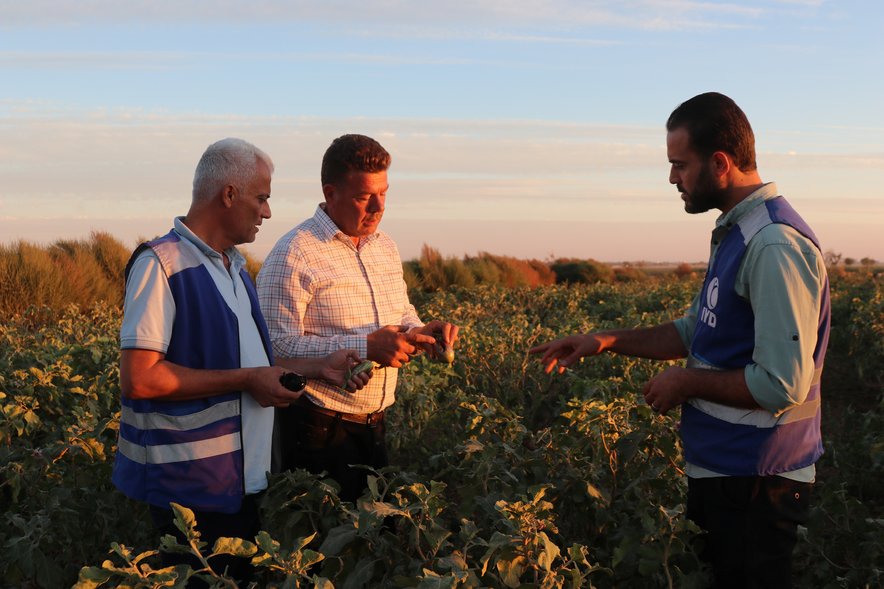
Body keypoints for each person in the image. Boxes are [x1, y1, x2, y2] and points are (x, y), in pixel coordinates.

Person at [530, 92, 830, 588]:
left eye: (679, 165)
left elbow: (781, 384)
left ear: (720, 163)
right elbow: (696, 329)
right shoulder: (738, 231)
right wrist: (604, 339)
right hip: (729, 472)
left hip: (758, 480)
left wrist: (684, 381)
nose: (672, 179)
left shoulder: (773, 244)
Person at [112, 138, 370, 585]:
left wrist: (318, 367)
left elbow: (250, 362)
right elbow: (140, 379)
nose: (267, 212)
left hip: (237, 481)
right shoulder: (161, 264)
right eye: (262, 197)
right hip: (189, 486)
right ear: (228, 195)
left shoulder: (234, 268)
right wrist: (249, 379)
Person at [257, 133, 459, 503]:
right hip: (314, 429)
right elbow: (271, 348)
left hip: (374, 425)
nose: (378, 207)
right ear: (331, 194)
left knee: (370, 545)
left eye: (384, 193)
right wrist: (366, 345)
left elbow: (401, 309)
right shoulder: (294, 253)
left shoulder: (384, 246)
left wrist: (418, 331)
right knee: (318, 551)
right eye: (364, 197)